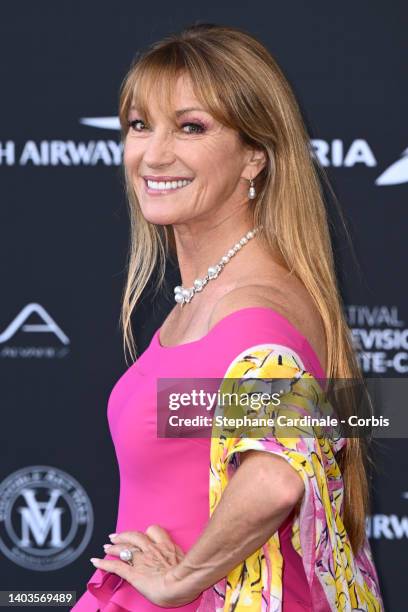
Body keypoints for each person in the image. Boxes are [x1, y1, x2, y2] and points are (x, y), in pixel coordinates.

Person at [71, 23, 384, 611]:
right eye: (141, 125)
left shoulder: (251, 312)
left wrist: (182, 579)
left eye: (191, 127)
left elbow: (276, 473)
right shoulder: (214, 297)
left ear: (254, 158)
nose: (153, 153)